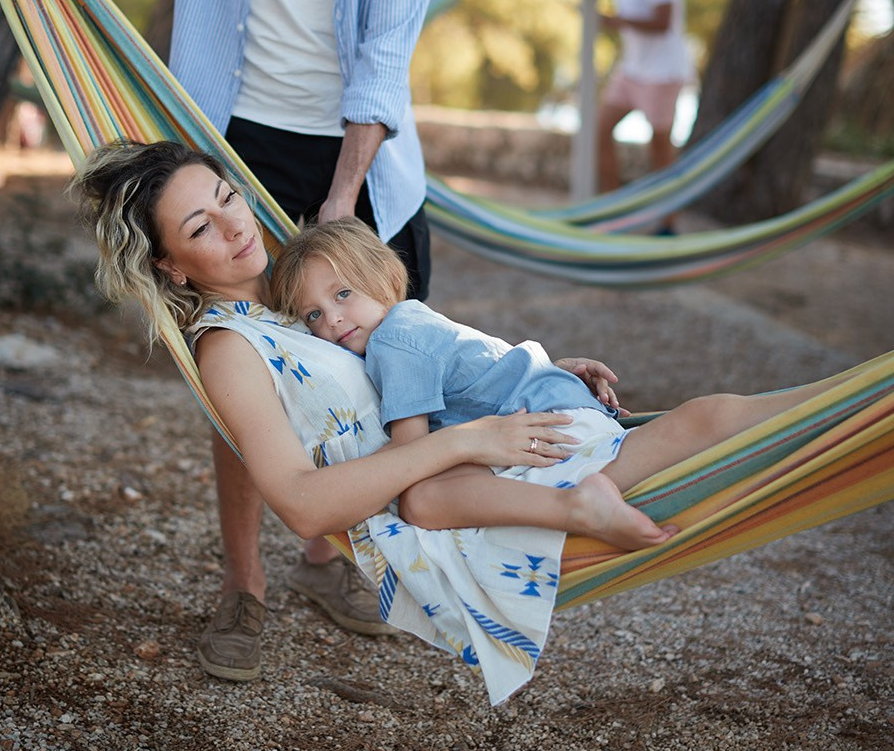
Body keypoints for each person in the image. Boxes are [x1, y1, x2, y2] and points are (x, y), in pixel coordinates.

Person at [0, 0, 447, 677]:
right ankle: (245, 587)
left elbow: (383, 61)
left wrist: (340, 210)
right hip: (227, 141)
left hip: (353, 160)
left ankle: (324, 552)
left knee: (361, 365)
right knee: (237, 367)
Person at [76, 140, 679, 704]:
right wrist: (469, 441)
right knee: (690, 435)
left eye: (227, 197)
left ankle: (777, 438)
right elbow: (303, 506)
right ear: (171, 267)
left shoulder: (296, 281)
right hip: (448, 493)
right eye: (201, 227)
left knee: (705, 424)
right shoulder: (231, 348)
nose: (235, 225)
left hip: (484, 442)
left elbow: (414, 349)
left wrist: (525, 375)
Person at [269, 215, 829, 529]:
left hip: (546, 433)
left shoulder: (394, 341)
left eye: (343, 293)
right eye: (314, 314)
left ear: (385, 279)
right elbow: (484, 371)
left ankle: (578, 505)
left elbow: (410, 455)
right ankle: (831, 402)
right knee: (697, 422)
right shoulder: (413, 324)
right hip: (562, 414)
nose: (333, 318)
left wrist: (342, 486)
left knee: (423, 501)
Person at [595, 0, 694, 226]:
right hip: (632, 69)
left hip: (662, 73)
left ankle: (669, 224)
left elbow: (663, 21)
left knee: (660, 150)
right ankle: (613, 212)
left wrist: (617, 22)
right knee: (599, 130)